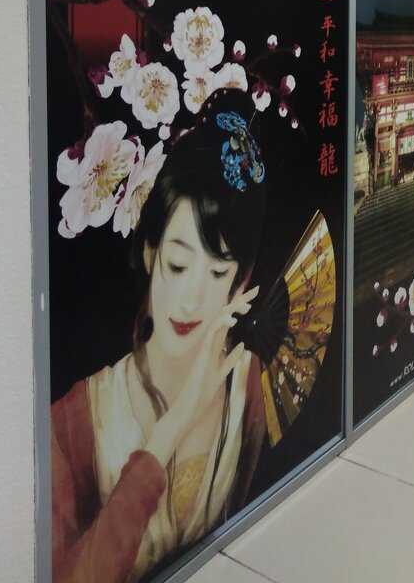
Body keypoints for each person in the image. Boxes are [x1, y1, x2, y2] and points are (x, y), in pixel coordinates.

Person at [51, 89, 268, 583]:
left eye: (218, 274)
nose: (191, 301)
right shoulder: (76, 423)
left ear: (241, 282)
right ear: (150, 253)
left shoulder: (246, 383)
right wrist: (173, 427)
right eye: (177, 264)